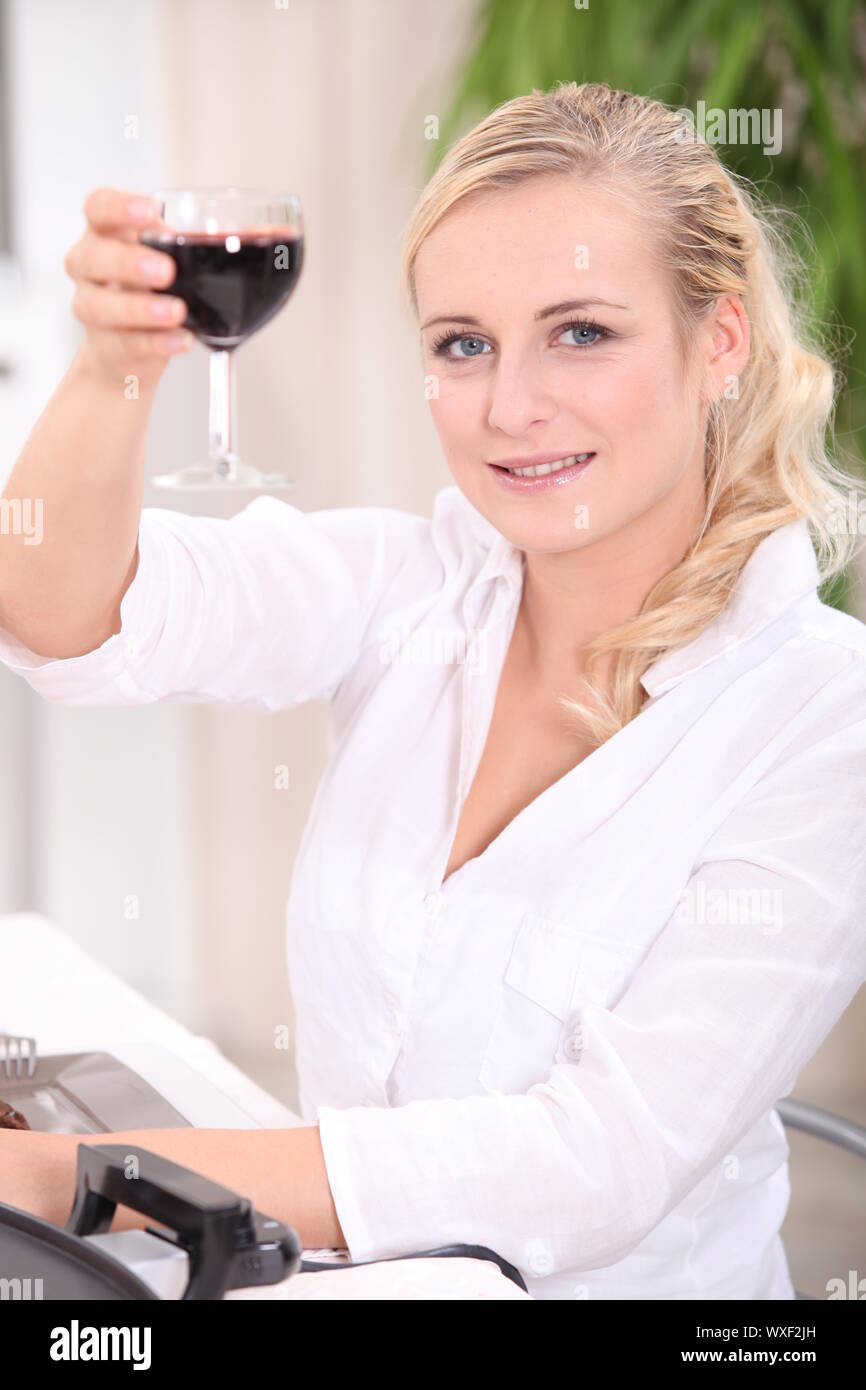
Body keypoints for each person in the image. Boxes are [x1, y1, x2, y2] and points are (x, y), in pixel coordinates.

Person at [1, 80, 865, 1300]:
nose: (508, 408)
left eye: (580, 332)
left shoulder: (822, 715)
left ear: (717, 341)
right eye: (463, 344)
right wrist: (114, 369)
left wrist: (81, 1173)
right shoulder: (410, 585)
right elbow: (62, 610)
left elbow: (597, 1161)